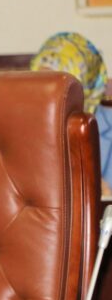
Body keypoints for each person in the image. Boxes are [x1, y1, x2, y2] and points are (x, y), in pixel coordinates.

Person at [31, 32, 112, 195]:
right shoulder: (27, 126)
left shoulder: (107, 126)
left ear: (84, 84)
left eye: (56, 85)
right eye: (39, 83)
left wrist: (105, 197)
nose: (45, 95)